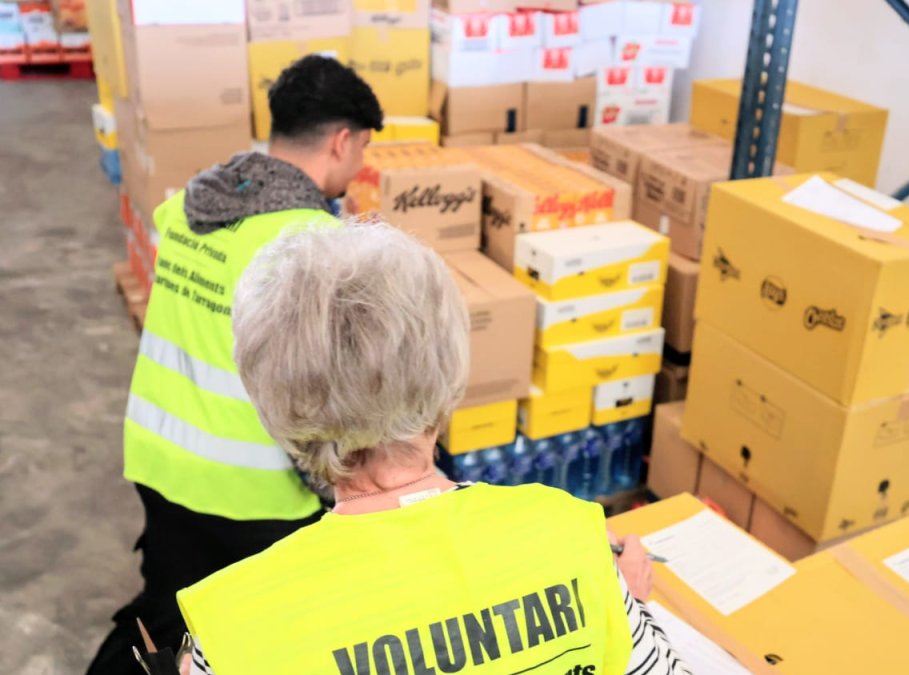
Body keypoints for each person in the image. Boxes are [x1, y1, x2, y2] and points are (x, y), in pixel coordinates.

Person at [176, 224, 690, 675]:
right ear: (448, 372)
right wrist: (625, 603)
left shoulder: (235, 625)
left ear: (275, 400)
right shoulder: (574, 536)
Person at [87, 55, 384, 675]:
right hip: (249, 494)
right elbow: (316, 399)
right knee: (262, 639)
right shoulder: (312, 246)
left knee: (170, 617)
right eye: (363, 150)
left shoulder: (192, 208)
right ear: (342, 140)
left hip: (160, 460)